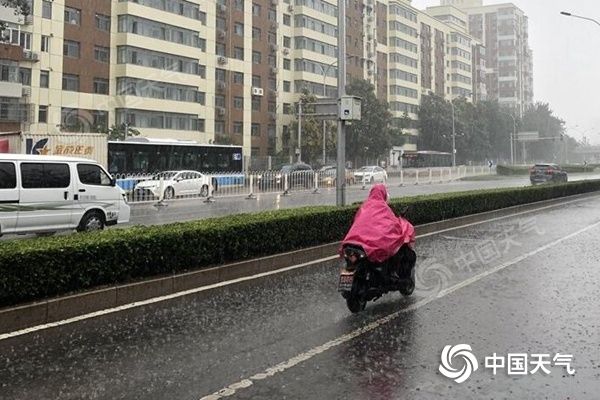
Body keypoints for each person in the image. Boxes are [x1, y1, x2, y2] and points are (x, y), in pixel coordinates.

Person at [340, 184, 415, 280]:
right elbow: (393, 224)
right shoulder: (383, 207)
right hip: (369, 245)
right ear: (383, 194)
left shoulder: (364, 206)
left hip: (352, 242)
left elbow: (357, 221)